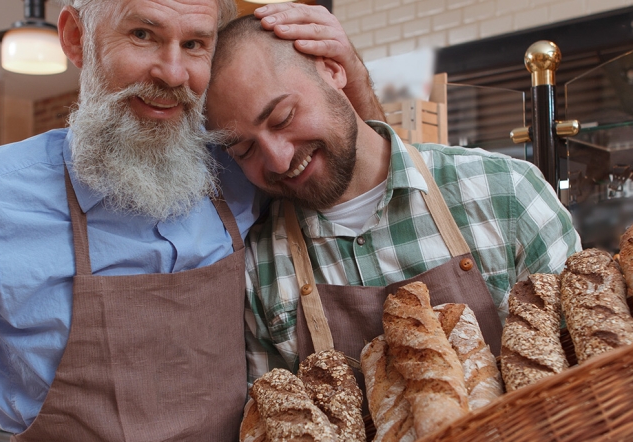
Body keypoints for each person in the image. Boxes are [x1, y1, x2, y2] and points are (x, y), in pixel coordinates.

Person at [0, 1, 379, 442]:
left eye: (194, 44)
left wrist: (347, 68)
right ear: (77, 39)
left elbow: (373, 186)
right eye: (142, 33)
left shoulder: (238, 165)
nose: (172, 72)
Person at [203, 17, 582, 382]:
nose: (279, 159)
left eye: (283, 118)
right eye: (245, 150)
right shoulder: (259, 267)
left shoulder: (506, 192)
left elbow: (590, 368)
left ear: (334, 70)